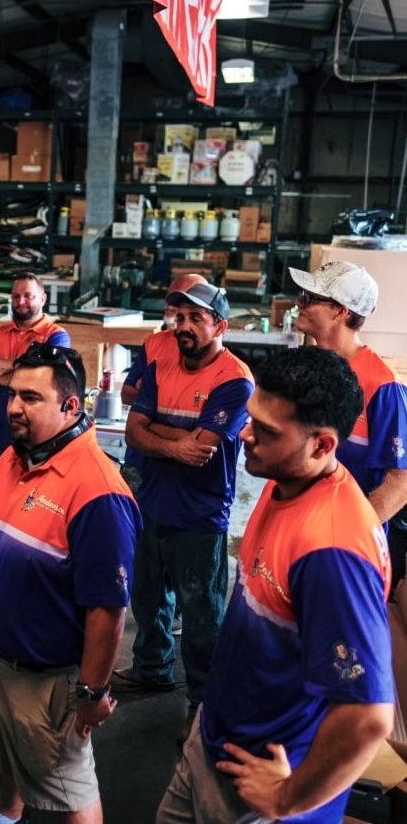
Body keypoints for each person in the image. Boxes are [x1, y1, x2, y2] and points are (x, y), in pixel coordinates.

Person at [158, 347, 394, 824]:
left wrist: (287, 799)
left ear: (322, 445)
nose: (245, 435)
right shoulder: (282, 479)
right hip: (217, 742)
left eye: (266, 431)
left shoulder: (332, 550)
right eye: (251, 419)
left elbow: (369, 717)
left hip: (261, 785)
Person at [0, 343, 140, 824]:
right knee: (9, 746)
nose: (15, 406)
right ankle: (5, 814)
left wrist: (93, 695)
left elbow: (107, 610)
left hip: (47, 679)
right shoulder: (15, 459)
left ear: (70, 406)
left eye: (31, 398)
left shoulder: (98, 493)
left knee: (69, 783)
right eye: (13, 394)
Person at [111, 283, 253, 737]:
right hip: (151, 501)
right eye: (181, 317)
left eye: (198, 319)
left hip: (200, 514)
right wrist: (177, 441)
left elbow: (204, 450)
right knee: (148, 598)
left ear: (220, 326)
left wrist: (159, 434)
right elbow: (133, 432)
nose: (184, 326)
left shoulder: (235, 379)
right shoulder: (163, 359)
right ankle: (152, 668)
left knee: (201, 616)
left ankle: (203, 703)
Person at [290, 260, 407, 591]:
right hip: (303, 529)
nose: (299, 302)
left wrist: (346, 535)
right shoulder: (310, 371)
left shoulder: (383, 385)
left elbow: (400, 484)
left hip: (348, 549)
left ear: (341, 311)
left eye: (310, 297)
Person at [0, 271, 70, 511]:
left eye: (28, 296)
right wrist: (22, 366)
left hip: (35, 444)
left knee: (27, 512)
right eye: (16, 296)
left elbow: (42, 379)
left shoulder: (56, 336)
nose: (20, 302)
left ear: (43, 299)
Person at [120, 273, 209, 495]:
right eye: (171, 299)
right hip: (139, 462)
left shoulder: (224, 368)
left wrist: (149, 417)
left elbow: (201, 440)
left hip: (187, 472)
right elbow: (127, 394)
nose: (172, 306)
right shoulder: (155, 344)